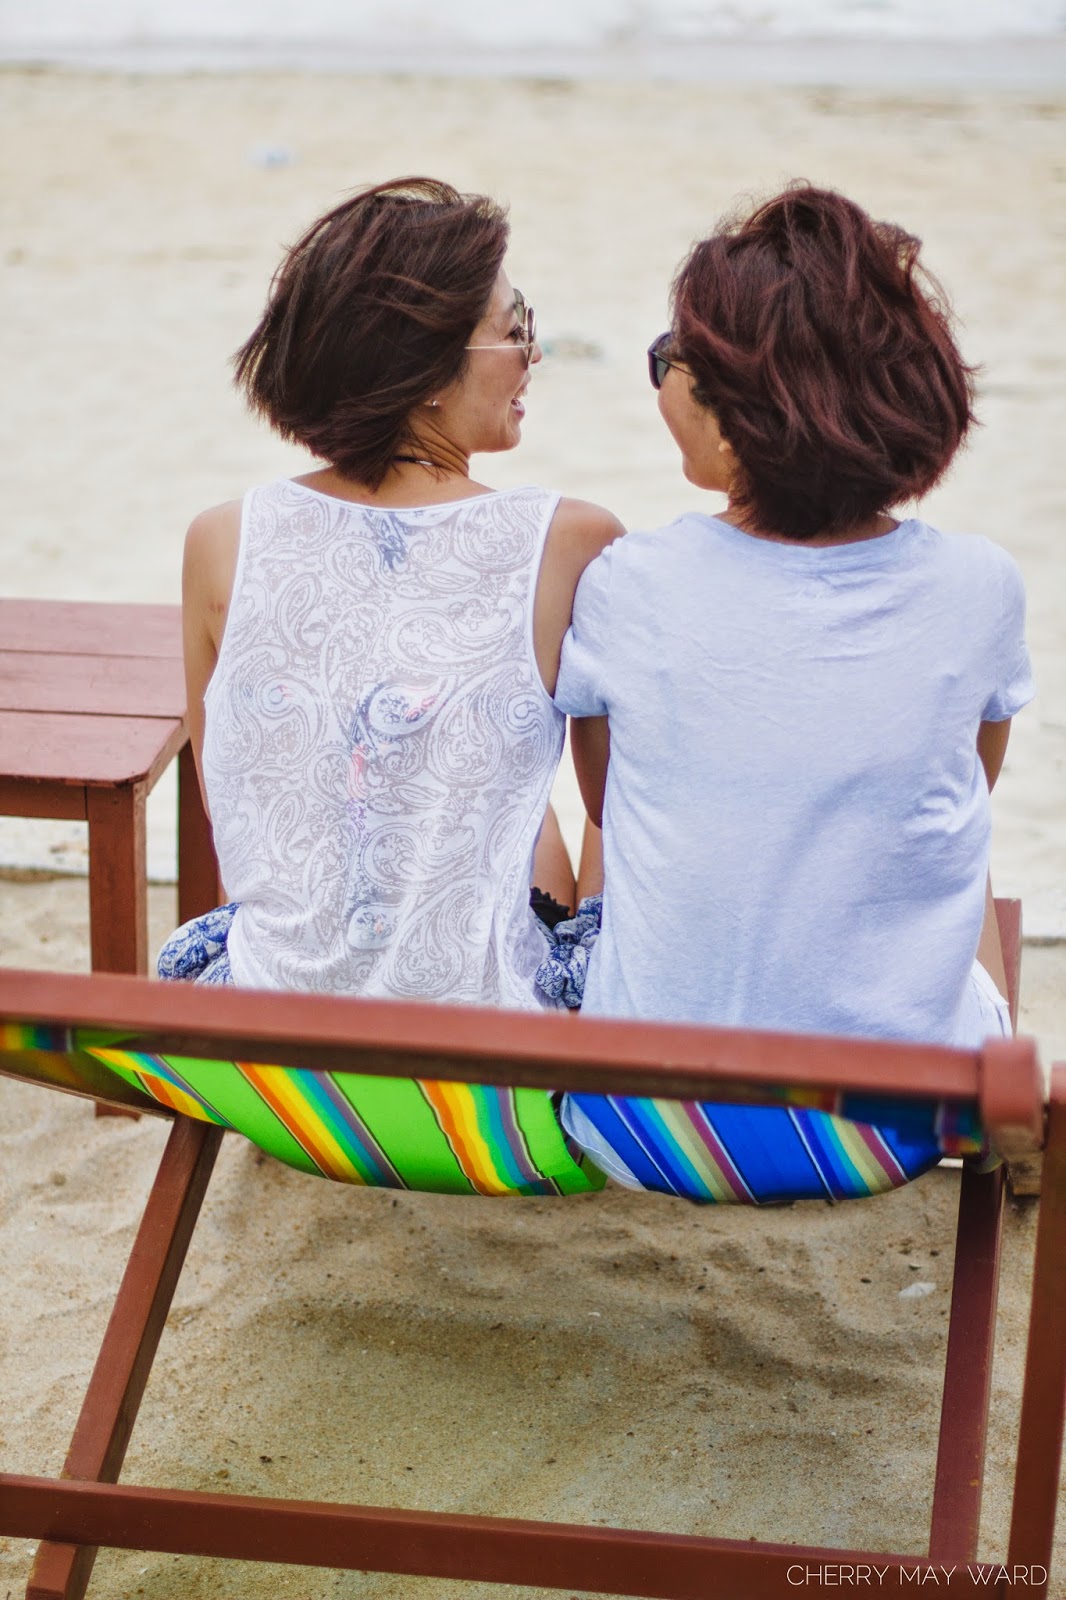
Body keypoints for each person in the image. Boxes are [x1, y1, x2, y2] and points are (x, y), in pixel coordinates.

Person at [546, 184, 1033, 1197]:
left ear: (737, 418)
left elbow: (606, 808)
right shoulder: (978, 587)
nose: (661, 381)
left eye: (673, 361)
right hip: (884, 1127)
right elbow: (966, 793)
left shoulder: (631, 587)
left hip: (643, 1122)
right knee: (942, 831)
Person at [167, 177, 621, 1009]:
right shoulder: (572, 541)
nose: (534, 353)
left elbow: (232, 795)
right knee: (562, 812)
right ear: (427, 368)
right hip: (480, 1064)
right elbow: (621, 811)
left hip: (274, 1048)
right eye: (514, 327)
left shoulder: (221, 538)